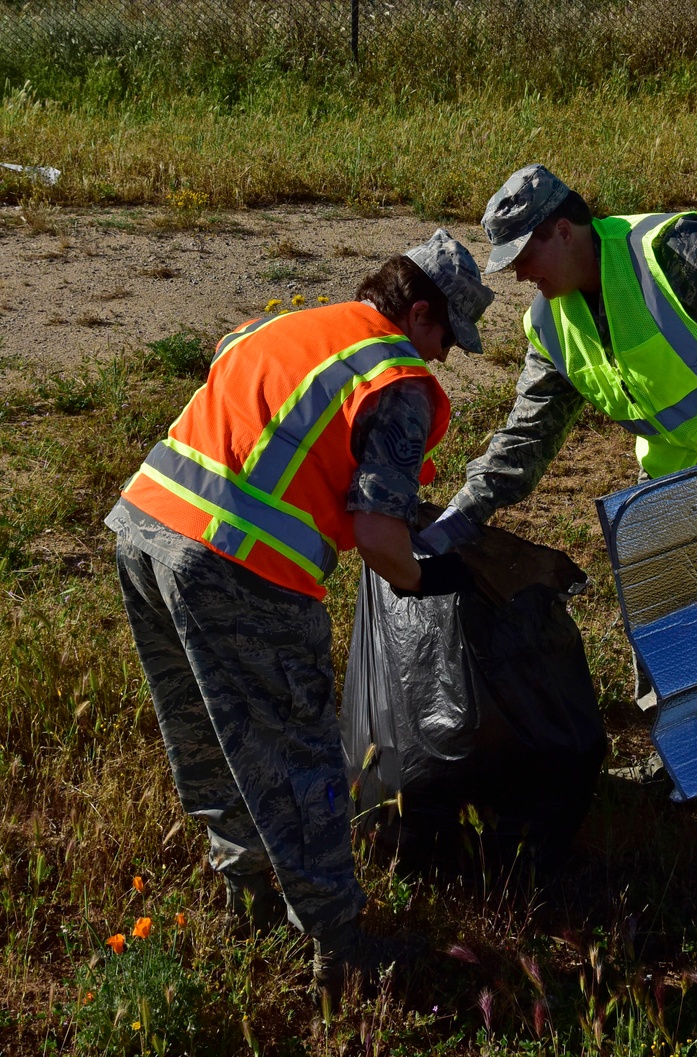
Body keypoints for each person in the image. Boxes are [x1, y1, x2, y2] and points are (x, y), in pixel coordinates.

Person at [105, 228, 494, 998]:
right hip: (238, 569)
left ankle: (246, 902)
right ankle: (341, 948)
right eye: (447, 335)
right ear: (419, 312)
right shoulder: (398, 378)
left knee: (210, 739)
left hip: (143, 531)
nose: (443, 356)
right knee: (300, 753)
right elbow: (380, 539)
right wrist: (429, 578)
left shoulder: (283, 325)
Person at [421, 164, 697, 844]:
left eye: (525, 256)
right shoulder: (554, 326)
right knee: (661, 606)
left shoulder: (670, 251)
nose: (522, 274)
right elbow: (527, 435)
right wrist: (466, 510)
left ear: (564, 229)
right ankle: (682, 753)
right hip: (688, 467)